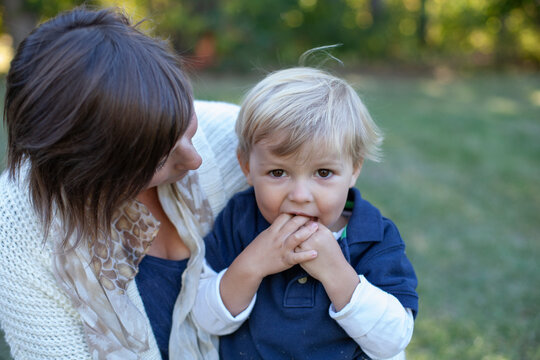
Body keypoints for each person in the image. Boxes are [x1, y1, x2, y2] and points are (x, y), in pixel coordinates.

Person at [0, 7, 249, 360]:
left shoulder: (237, 140)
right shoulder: (18, 230)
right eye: (158, 159)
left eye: (184, 121)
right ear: (88, 169)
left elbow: (346, 211)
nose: (194, 160)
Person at [192, 67, 419, 359]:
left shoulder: (372, 235)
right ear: (247, 167)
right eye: (278, 172)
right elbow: (204, 319)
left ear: (354, 169)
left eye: (323, 173)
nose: (299, 196)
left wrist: (336, 271)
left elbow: (393, 340)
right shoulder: (240, 219)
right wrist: (252, 265)